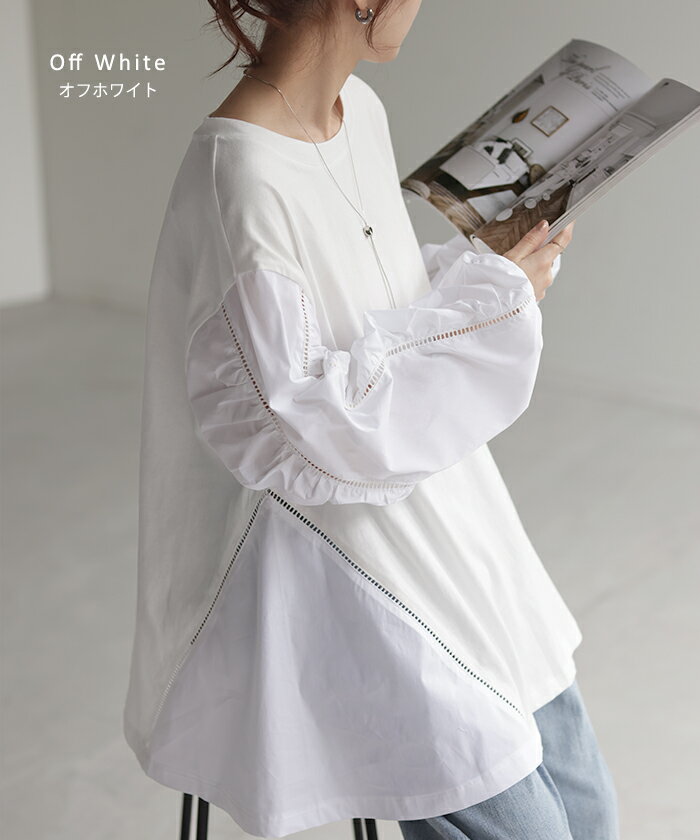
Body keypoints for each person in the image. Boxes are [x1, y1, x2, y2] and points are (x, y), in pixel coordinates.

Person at [122, 2, 619, 838]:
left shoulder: (360, 112)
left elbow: (372, 315)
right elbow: (297, 428)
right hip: (334, 549)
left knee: (588, 806)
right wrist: (492, 307)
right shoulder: (237, 174)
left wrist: (486, 272)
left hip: (445, 506)